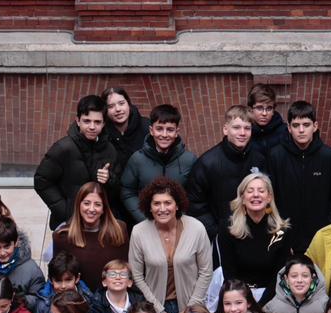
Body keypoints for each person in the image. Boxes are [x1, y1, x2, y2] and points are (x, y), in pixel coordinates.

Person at [129, 177, 214, 313]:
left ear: (177, 205)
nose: (162, 208)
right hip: (154, 308)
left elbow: (206, 271)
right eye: (156, 203)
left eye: (167, 203)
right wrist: (159, 312)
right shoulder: (138, 232)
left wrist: (189, 308)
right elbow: (137, 276)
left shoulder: (196, 228)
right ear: (149, 207)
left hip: (192, 306)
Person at [262, 100, 331, 249]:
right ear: (289, 128)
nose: (301, 130)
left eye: (306, 125)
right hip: (284, 234)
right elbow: (268, 195)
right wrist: (276, 225)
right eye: (296, 125)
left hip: (320, 235)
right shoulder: (276, 156)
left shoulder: (329, 156)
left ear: (315, 126)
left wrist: (329, 224)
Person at [34, 95, 120, 229]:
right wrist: (66, 212)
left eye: (97, 122)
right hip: (69, 223)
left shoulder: (110, 150)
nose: (92, 127)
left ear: (104, 124)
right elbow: (41, 181)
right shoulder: (63, 148)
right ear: (78, 121)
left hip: (99, 222)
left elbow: (117, 189)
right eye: (87, 121)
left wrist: (109, 180)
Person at [185, 105, 263, 243]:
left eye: (247, 128)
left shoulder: (259, 159)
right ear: (225, 129)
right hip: (220, 237)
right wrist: (217, 232)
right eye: (236, 127)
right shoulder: (207, 163)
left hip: (254, 234)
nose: (242, 133)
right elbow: (195, 204)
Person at [121, 104, 197, 224]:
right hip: (146, 224)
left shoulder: (189, 160)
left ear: (177, 132)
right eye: (159, 129)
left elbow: (195, 195)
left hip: (179, 224)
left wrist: (180, 217)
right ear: (151, 130)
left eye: (170, 130)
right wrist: (145, 218)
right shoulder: (137, 159)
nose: (164, 135)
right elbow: (127, 191)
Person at [217, 172, 292, 293]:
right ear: (242, 198)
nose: (256, 195)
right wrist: (246, 300)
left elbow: (280, 275)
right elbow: (229, 274)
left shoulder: (282, 231)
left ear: (269, 197)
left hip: (273, 295)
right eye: (250, 191)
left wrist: (263, 303)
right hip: (239, 295)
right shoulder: (228, 228)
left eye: (261, 191)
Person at [53, 182, 129, 290]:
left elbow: (126, 269)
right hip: (77, 298)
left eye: (97, 204)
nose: (91, 209)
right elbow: (57, 275)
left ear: (103, 208)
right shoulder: (62, 237)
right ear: (78, 205)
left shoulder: (118, 231)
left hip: (111, 296)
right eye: (87, 203)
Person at [0, 216, 45, 300]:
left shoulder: (32, 270)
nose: (2, 253)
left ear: (16, 243)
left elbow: (40, 299)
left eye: (7, 247)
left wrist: (22, 300)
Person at [101, 85, 147, 159]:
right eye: (111, 106)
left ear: (128, 104)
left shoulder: (147, 127)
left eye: (121, 103)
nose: (118, 109)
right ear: (105, 110)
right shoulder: (101, 133)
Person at [246, 84, 291, 157]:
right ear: (250, 109)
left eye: (269, 108)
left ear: (273, 110)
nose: (264, 113)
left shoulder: (285, 131)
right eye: (259, 108)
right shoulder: (244, 132)